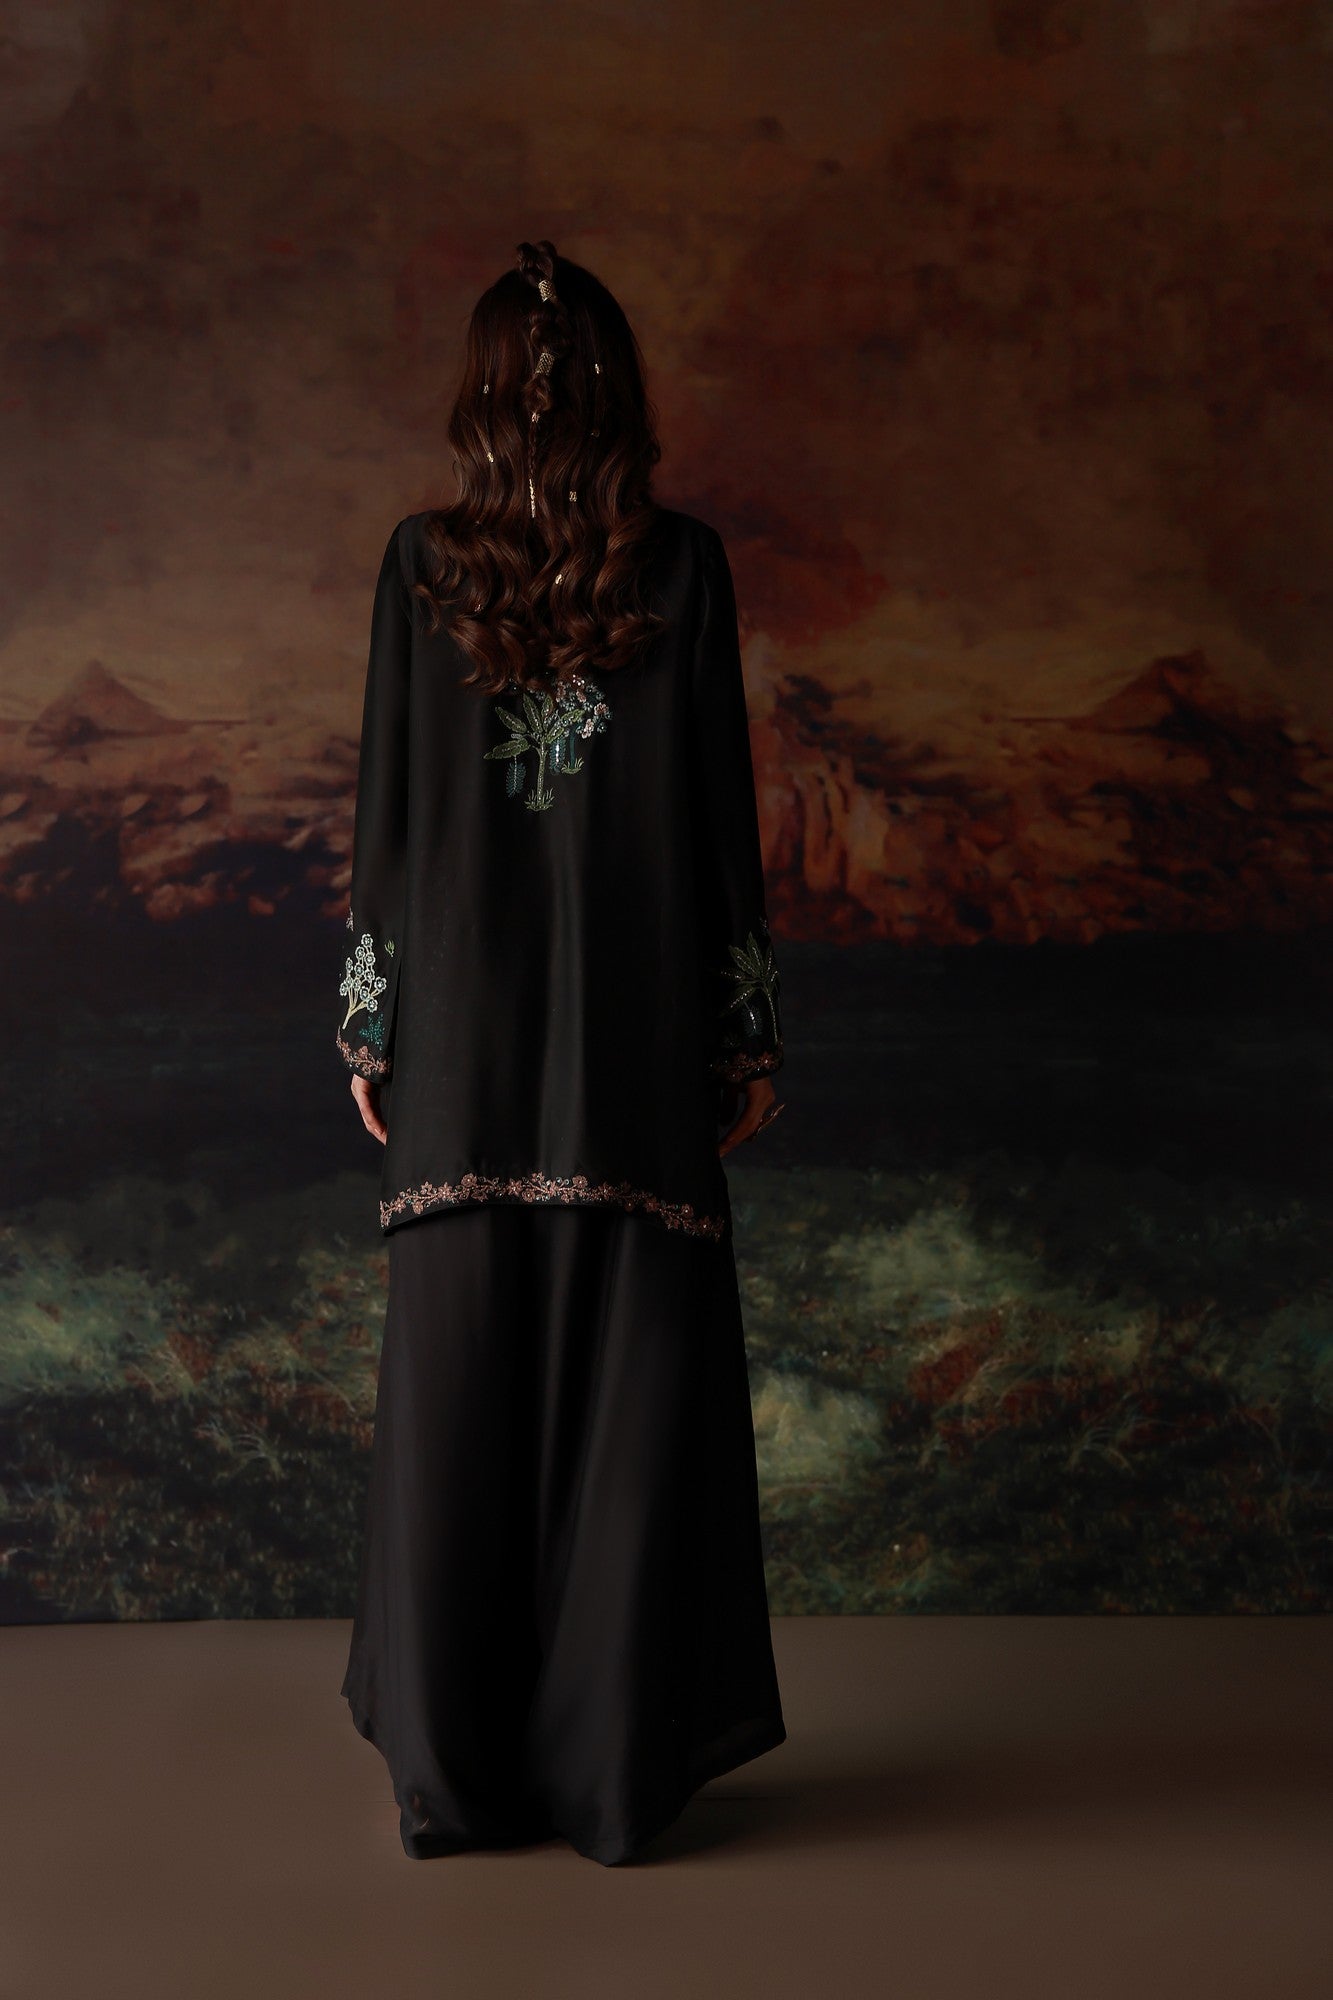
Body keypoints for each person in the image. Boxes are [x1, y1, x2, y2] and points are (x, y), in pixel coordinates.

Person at [335, 238, 788, 1867]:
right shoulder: (680, 567)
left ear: (482, 395)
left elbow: (389, 824)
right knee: (627, 1397)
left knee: (457, 1391)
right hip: (631, 1036)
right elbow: (718, 828)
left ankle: (455, 1781)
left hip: (461, 1038)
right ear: (616, 392)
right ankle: (607, 1778)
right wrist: (740, 1030)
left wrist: (372, 1020)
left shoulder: (422, 564)